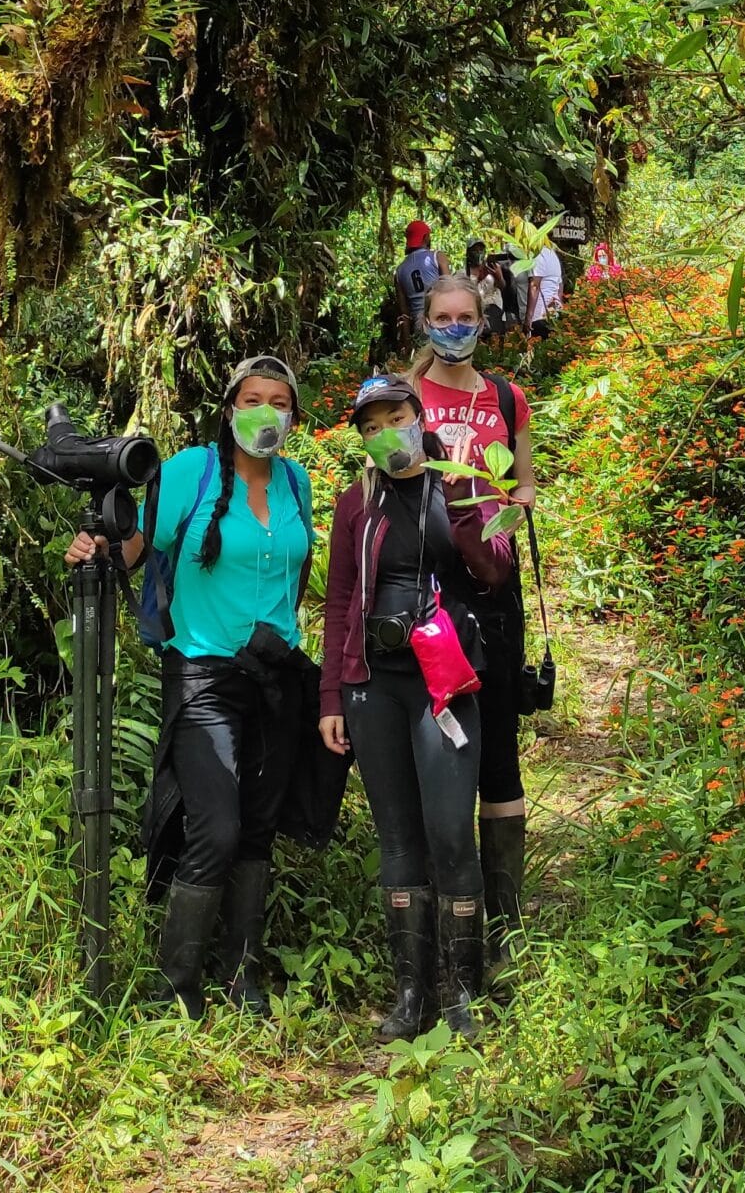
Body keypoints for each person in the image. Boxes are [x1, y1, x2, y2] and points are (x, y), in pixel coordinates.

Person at [65, 356, 312, 1016]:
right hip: (203, 673)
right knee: (218, 827)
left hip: (276, 676)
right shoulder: (190, 472)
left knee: (258, 831)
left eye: (280, 402)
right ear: (230, 406)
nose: (266, 411)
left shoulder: (298, 483)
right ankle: (176, 988)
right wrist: (96, 549)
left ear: (294, 416)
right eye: (254, 398)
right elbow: (136, 548)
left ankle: (243, 980)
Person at [319, 371, 512, 1038]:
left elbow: (495, 569)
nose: (383, 433)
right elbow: (340, 599)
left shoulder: (463, 479)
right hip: (375, 684)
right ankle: (412, 995)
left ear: (418, 413)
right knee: (398, 840)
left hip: (446, 681)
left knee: (452, 832)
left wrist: (462, 506)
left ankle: (466, 994)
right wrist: (331, 696)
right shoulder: (357, 501)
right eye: (369, 426)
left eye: (393, 417)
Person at [411, 273, 539, 963]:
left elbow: (525, 482)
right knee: (440, 740)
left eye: (466, 317)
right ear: (425, 320)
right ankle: (445, 904)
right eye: (443, 316)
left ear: (482, 322)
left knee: (499, 748)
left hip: (493, 589)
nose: (455, 327)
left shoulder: (504, 397)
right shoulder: (406, 397)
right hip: (428, 590)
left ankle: (505, 920)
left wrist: (503, 517)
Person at [391, 218, 441, 345]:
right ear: (425, 238)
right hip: (441, 319)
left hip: (420, 325)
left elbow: (404, 313)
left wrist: (407, 344)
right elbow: (451, 289)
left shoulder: (400, 271)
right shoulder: (437, 257)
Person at [526, 232, 563, 343]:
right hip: (552, 312)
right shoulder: (553, 255)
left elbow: (534, 286)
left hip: (539, 315)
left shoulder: (538, 255)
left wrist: (529, 317)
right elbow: (560, 286)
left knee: (536, 349)